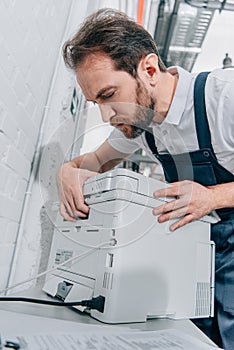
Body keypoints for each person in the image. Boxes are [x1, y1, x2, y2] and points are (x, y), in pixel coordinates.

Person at [57, 8, 234, 349]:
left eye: (108, 96)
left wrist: (212, 197)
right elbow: (93, 161)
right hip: (204, 251)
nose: (106, 115)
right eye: (95, 103)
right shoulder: (142, 124)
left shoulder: (224, 98)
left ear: (149, 70)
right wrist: (68, 170)